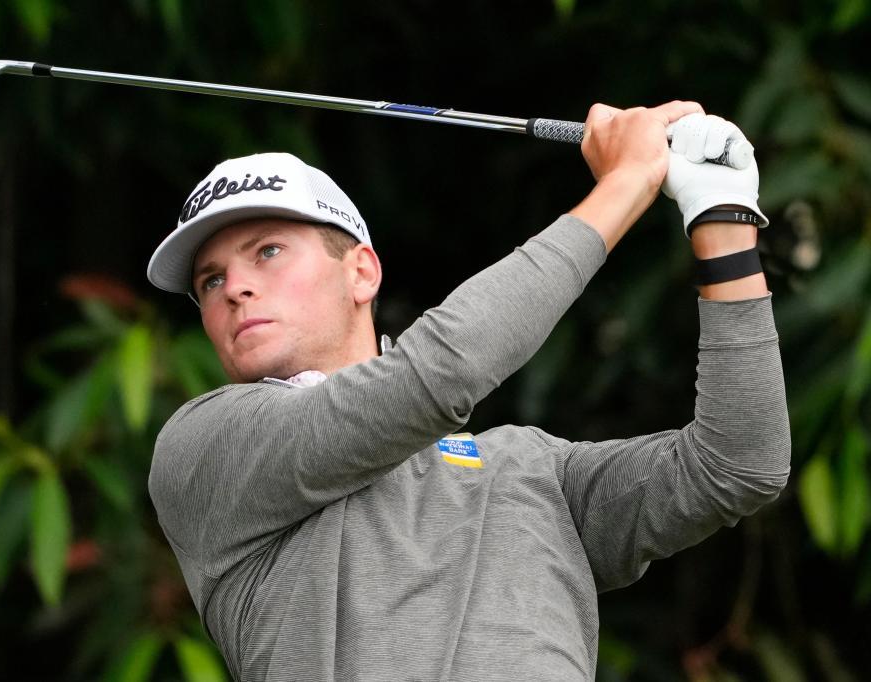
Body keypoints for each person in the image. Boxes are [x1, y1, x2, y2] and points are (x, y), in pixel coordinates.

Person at [146, 101, 790, 681]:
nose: (234, 288)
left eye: (268, 252)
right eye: (210, 280)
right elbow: (435, 378)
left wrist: (721, 222)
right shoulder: (206, 447)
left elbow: (735, 464)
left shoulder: (533, 471)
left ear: (361, 272)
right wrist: (625, 183)